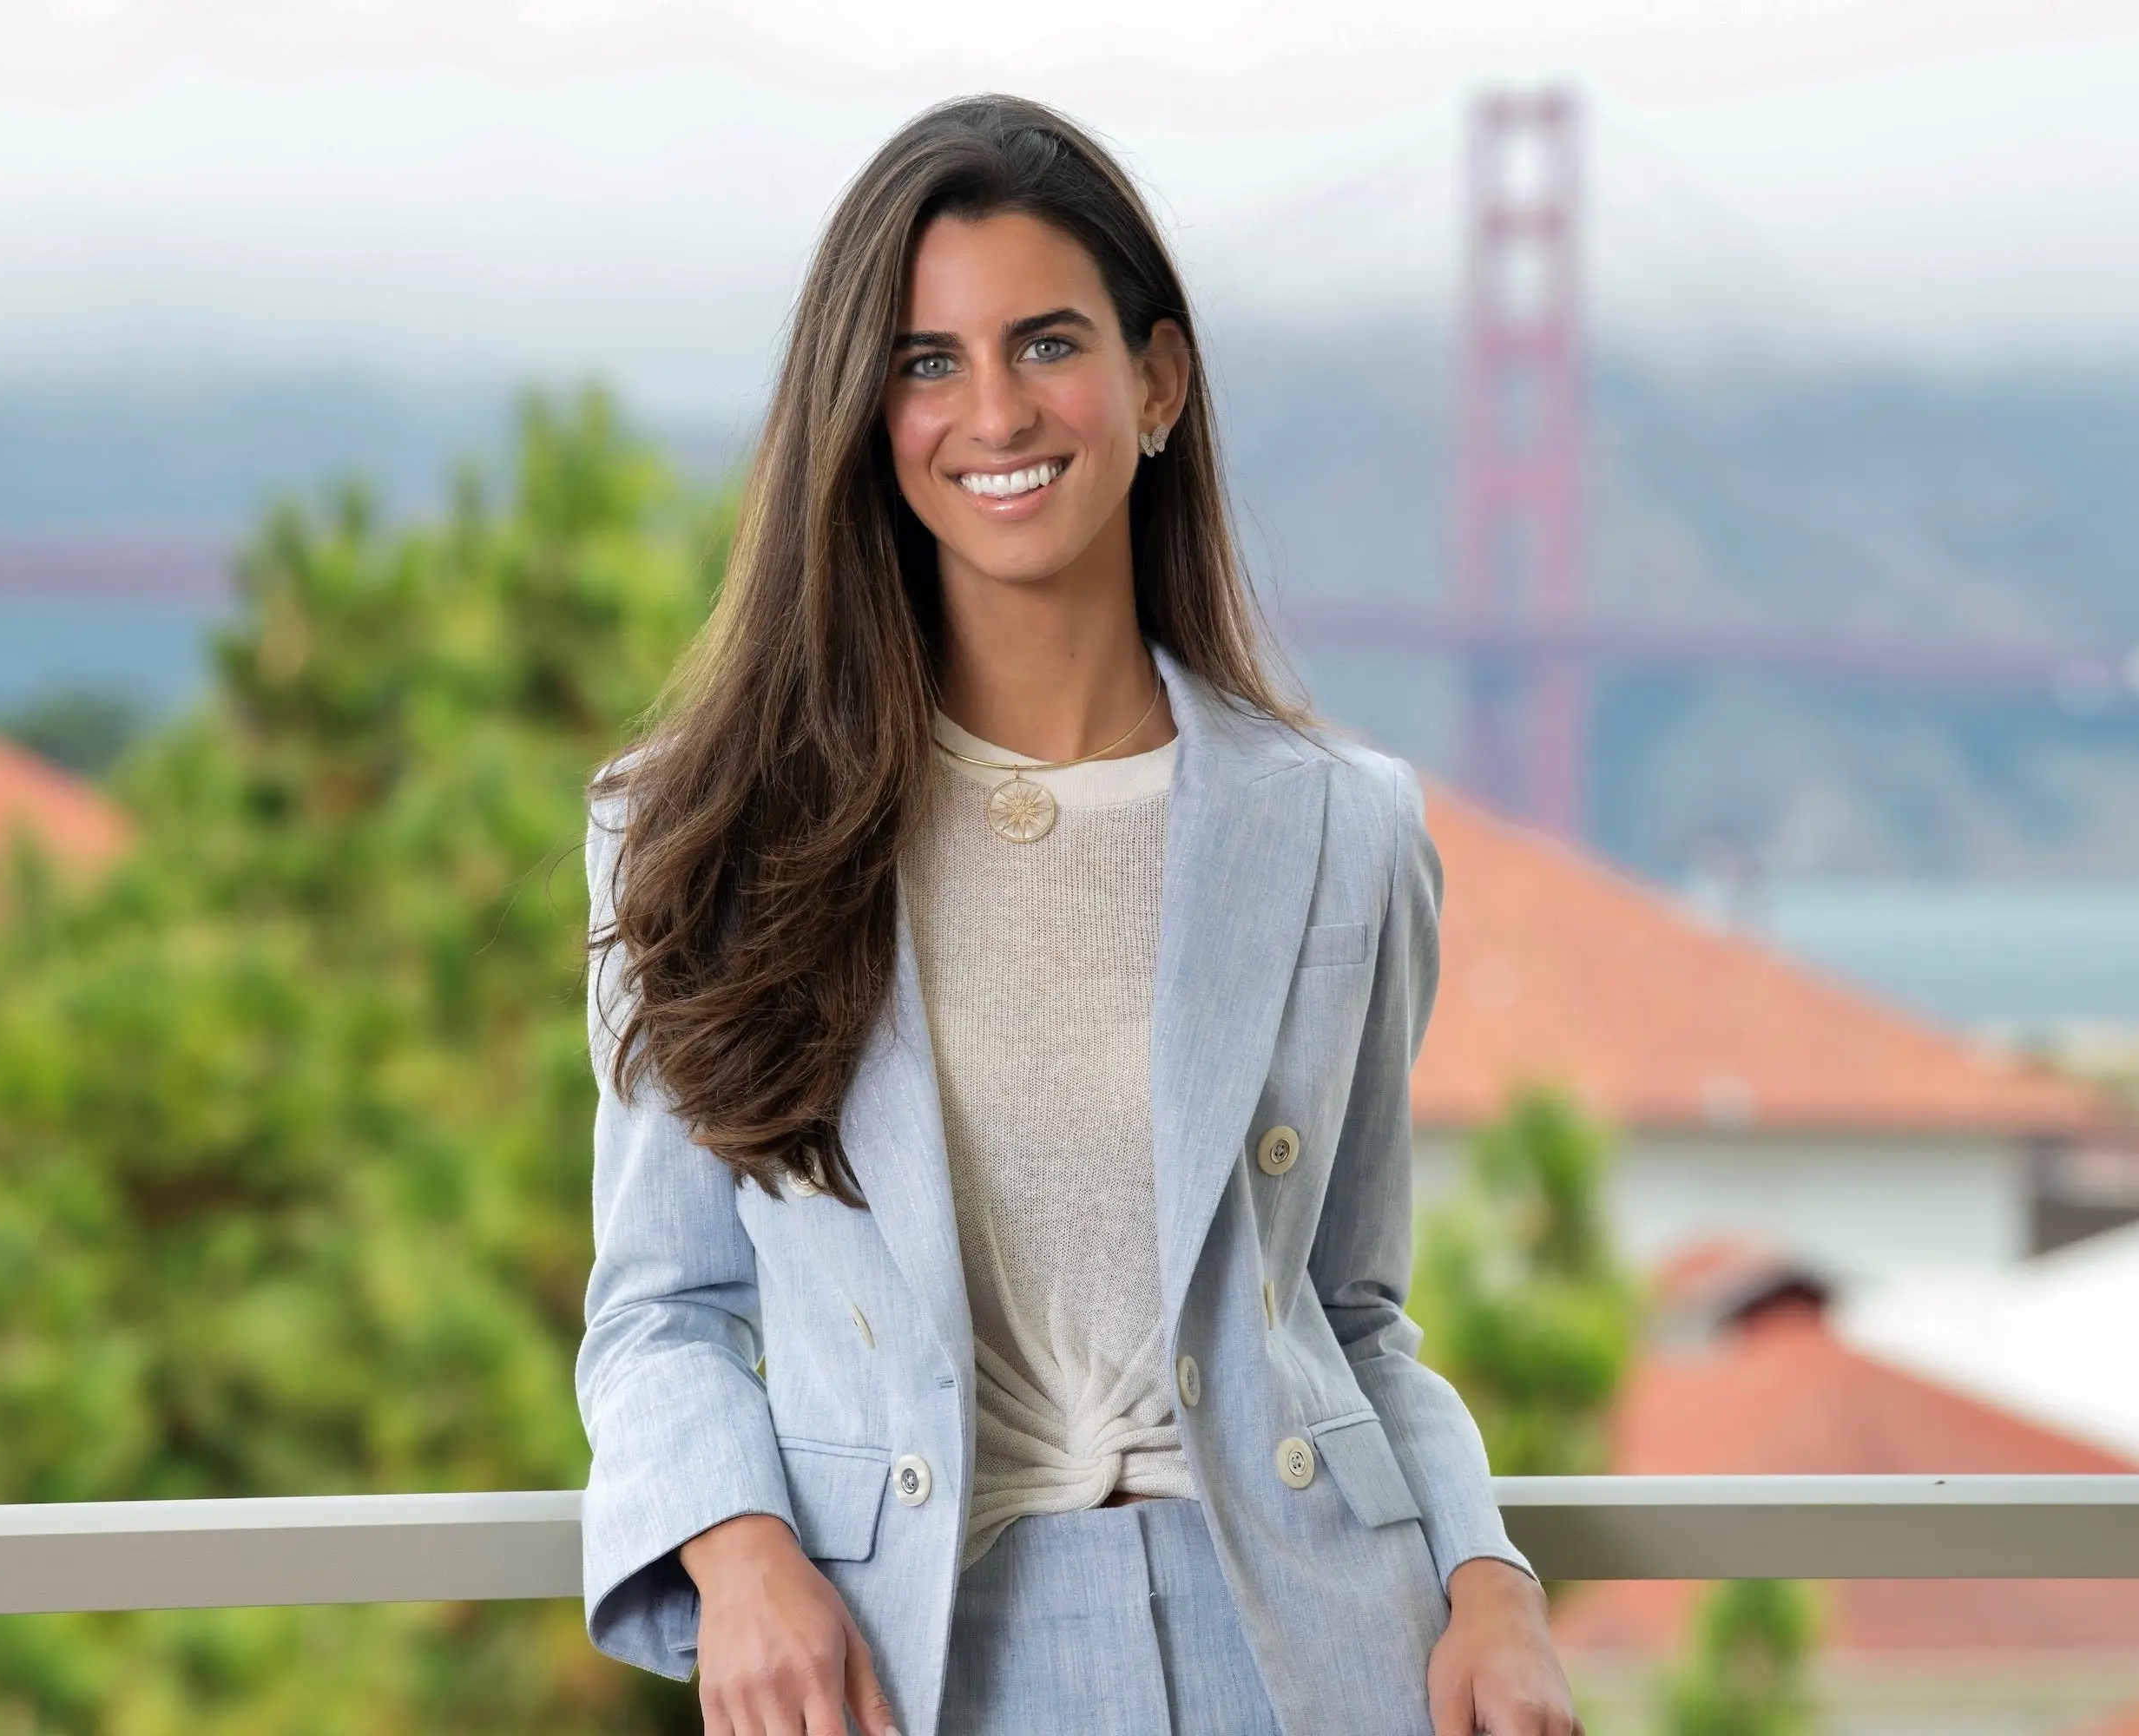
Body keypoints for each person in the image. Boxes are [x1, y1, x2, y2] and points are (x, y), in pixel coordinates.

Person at [577, 93, 1582, 1736]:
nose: (990, 412)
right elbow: (660, 1314)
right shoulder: (702, 830)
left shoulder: (1344, 830)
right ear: (865, 411)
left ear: (1158, 383)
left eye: (1045, 344)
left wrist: (1489, 1583)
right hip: (914, 1659)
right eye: (924, 362)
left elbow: (1346, 1314)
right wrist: (739, 1548)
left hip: (1318, 1657)